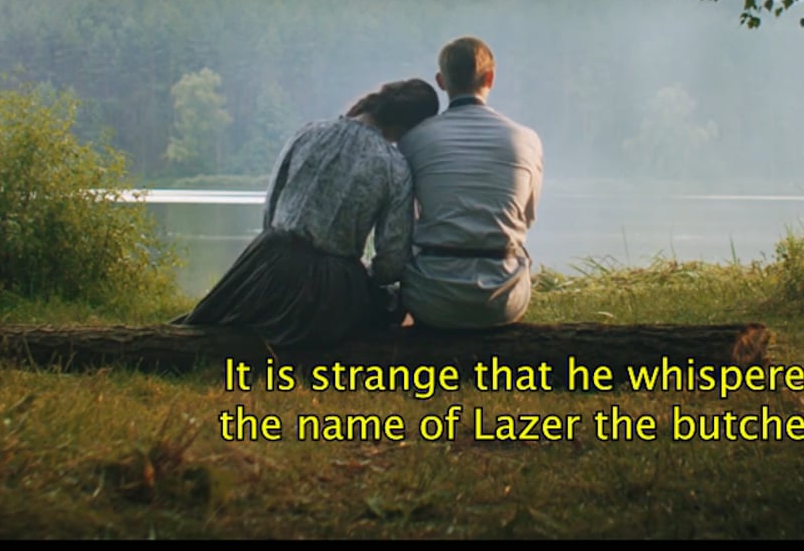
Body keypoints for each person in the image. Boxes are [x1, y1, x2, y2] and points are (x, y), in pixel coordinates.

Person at [173, 78, 438, 350]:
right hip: (330, 283)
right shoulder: (394, 166)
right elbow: (392, 261)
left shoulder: (309, 132)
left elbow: (272, 207)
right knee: (392, 305)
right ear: (411, 128)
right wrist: (365, 278)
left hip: (268, 260)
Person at [382, 36, 544, 328]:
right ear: (490, 78)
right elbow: (527, 217)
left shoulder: (414, 140)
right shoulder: (527, 139)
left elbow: (402, 224)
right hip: (504, 302)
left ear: (441, 82)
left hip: (431, 297)